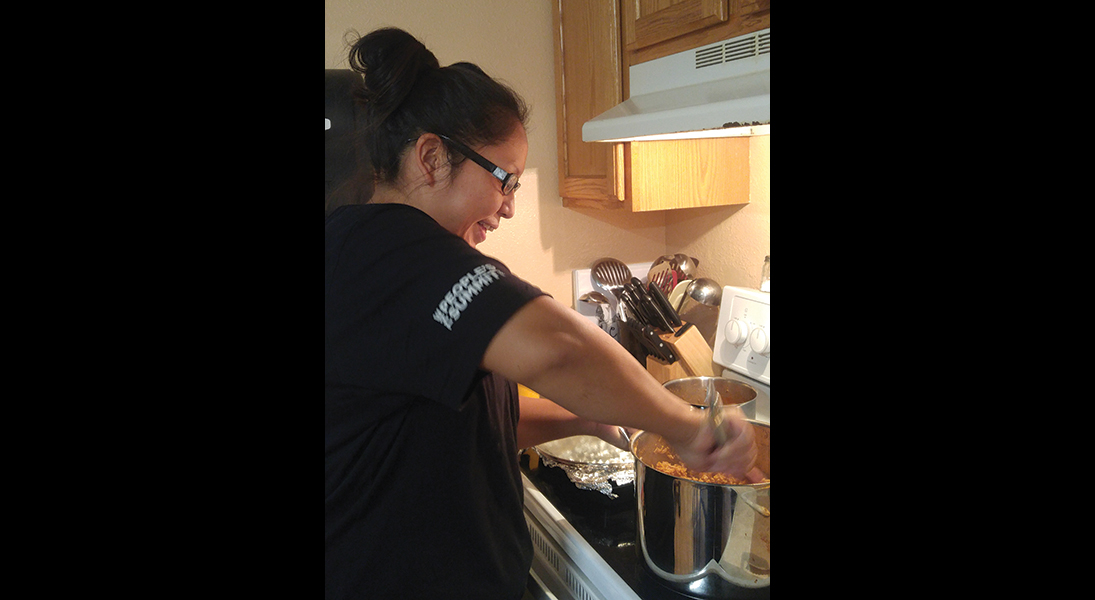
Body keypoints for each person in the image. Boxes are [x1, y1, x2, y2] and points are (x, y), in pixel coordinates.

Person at [325, 27, 762, 600]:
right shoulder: (388, 249)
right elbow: (560, 348)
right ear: (431, 157)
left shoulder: (378, 257)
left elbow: (460, 422)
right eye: (505, 178)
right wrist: (688, 428)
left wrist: (583, 418)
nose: (509, 205)